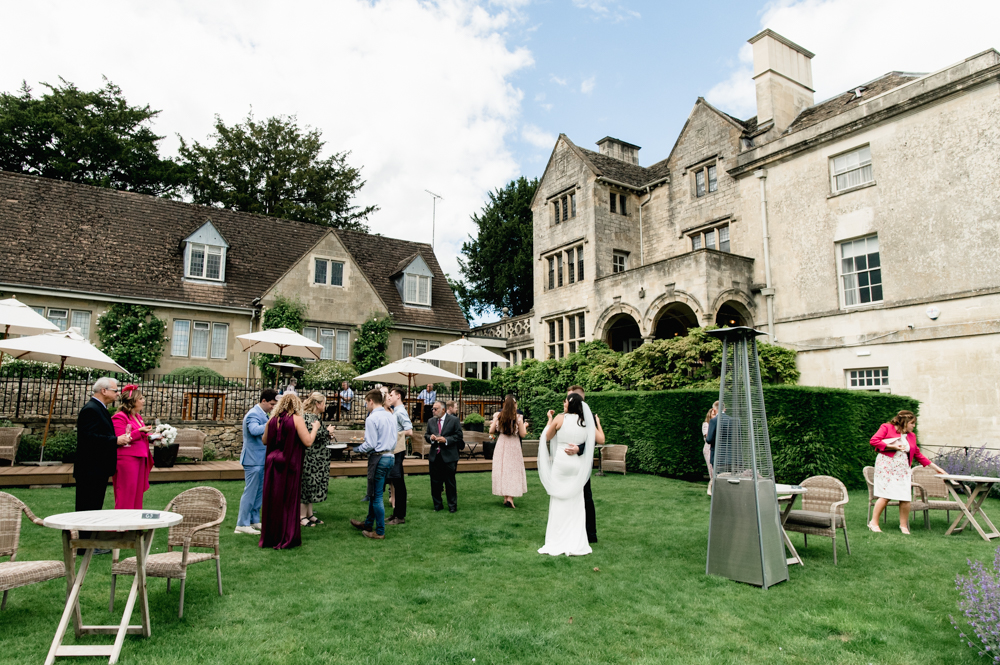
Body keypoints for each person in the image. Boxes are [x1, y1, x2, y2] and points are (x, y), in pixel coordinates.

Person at [74, 377, 130, 555]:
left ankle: (91, 541)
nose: (117, 393)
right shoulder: (91, 410)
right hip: (90, 468)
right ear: (104, 391)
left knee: (94, 506)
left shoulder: (101, 408)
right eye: (115, 390)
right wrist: (115, 440)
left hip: (97, 468)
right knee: (86, 506)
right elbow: (88, 438)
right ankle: (84, 545)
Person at [868, 410, 946, 534]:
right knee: (885, 495)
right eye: (912, 423)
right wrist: (892, 447)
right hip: (886, 466)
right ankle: (873, 523)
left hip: (903, 469)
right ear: (904, 422)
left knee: (905, 496)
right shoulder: (886, 427)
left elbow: (918, 455)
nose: (913, 426)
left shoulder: (911, 436)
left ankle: (903, 526)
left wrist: (937, 468)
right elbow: (874, 441)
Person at [259, 393, 320, 550]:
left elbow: (264, 440)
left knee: (273, 499)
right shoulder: (296, 419)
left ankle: (271, 536)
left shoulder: (272, 420)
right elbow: (307, 441)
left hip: (272, 462)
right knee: (288, 500)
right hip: (288, 463)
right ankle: (287, 536)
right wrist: (315, 429)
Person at [537, 393, 595, 556]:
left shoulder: (560, 419)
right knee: (576, 503)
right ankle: (575, 540)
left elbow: (547, 436)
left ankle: (557, 538)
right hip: (577, 464)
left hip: (561, 464)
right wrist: (577, 448)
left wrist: (550, 419)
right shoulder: (585, 422)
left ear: (570, 404)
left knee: (558, 502)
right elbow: (592, 441)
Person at [349, 389, 397, 539]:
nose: (365, 405)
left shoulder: (372, 418)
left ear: (371, 401)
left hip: (378, 458)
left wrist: (355, 449)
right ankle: (368, 523)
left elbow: (370, 443)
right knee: (374, 492)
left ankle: (380, 531)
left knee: (376, 496)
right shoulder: (391, 415)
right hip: (390, 456)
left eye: (365, 402)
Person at [564, 386, 604, 544]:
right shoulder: (565, 417)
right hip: (567, 463)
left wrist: (579, 449)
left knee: (586, 497)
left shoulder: (588, 417)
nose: (567, 402)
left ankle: (590, 534)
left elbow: (595, 441)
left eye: (570, 398)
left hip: (582, 463)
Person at [236, 389, 278, 535]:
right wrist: (272, 423)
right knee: (250, 492)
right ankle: (242, 523)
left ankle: (254, 520)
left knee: (259, 493)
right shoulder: (254, 414)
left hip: (261, 460)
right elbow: (254, 430)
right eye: (272, 404)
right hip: (252, 460)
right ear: (264, 401)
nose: (273, 407)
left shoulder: (264, 414)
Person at [110, 384, 153, 510]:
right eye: (141, 398)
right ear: (132, 401)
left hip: (140, 457)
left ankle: (135, 523)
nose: (144, 401)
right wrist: (140, 431)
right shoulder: (120, 417)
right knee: (126, 492)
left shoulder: (138, 417)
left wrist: (153, 437)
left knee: (137, 493)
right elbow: (120, 438)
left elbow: (141, 436)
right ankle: (121, 526)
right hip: (127, 459)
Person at [300, 392, 335, 527]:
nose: (325, 406)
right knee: (307, 485)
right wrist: (327, 431)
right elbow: (310, 435)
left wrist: (326, 434)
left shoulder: (315, 417)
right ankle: (301, 516)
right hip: (311, 458)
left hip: (318, 458)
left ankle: (309, 514)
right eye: (324, 403)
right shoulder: (308, 417)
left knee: (313, 485)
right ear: (318, 404)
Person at [424, 400, 463, 512]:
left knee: (450, 482)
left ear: (443, 410)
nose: (433, 411)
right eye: (433, 409)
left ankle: (452, 506)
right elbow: (426, 435)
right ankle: (437, 505)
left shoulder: (454, 420)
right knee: (435, 483)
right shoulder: (431, 421)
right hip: (435, 456)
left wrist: (446, 440)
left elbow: (459, 435)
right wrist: (430, 438)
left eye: (436, 409)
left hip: (449, 456)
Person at [489, 395, 527, 508]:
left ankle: (506, 497)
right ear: (514, 405)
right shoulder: (518, 417)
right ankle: (510, 498)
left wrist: (495, 421)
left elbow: (491, 431)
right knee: (513, 471)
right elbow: (523, 434)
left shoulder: (498, 415)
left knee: (502, 470)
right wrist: (524, 425)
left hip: (501, 443)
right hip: (513, 445)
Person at [385, 387, 413, 525]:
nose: (389, 397)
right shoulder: (394, 411)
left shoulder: (401, 412)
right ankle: (396, 514)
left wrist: (393, 435)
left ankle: (400, 516)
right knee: (396, 482)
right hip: (394, 451)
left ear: (398, 396)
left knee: (399, 483)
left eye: (391, 395)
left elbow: (409, 431)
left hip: (398, 451)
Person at [702, 401, 719, 496]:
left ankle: (714, 488)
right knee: (712, 469)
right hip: (708, 449)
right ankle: (710, 488)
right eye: (713, 414)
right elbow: (708, 437)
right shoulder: (706, 424)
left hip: (717, 448)